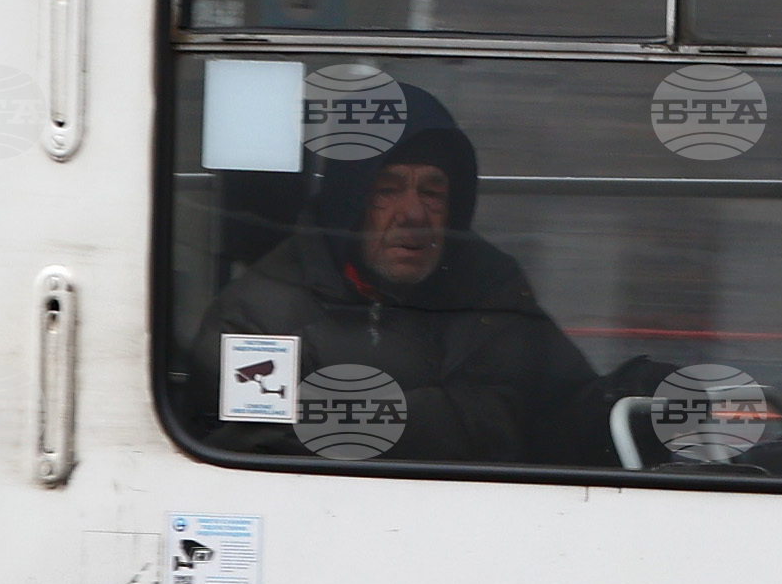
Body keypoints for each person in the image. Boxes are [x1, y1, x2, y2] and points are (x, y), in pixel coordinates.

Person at [199, 84, 644, 465]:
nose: (412, 213)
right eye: (386, 191)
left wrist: (632, 395)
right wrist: (461, 418)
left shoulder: (490, 287)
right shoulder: (262, 315)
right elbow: (254, 452)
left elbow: (560, 409)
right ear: (347, 205)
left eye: (432, 192)